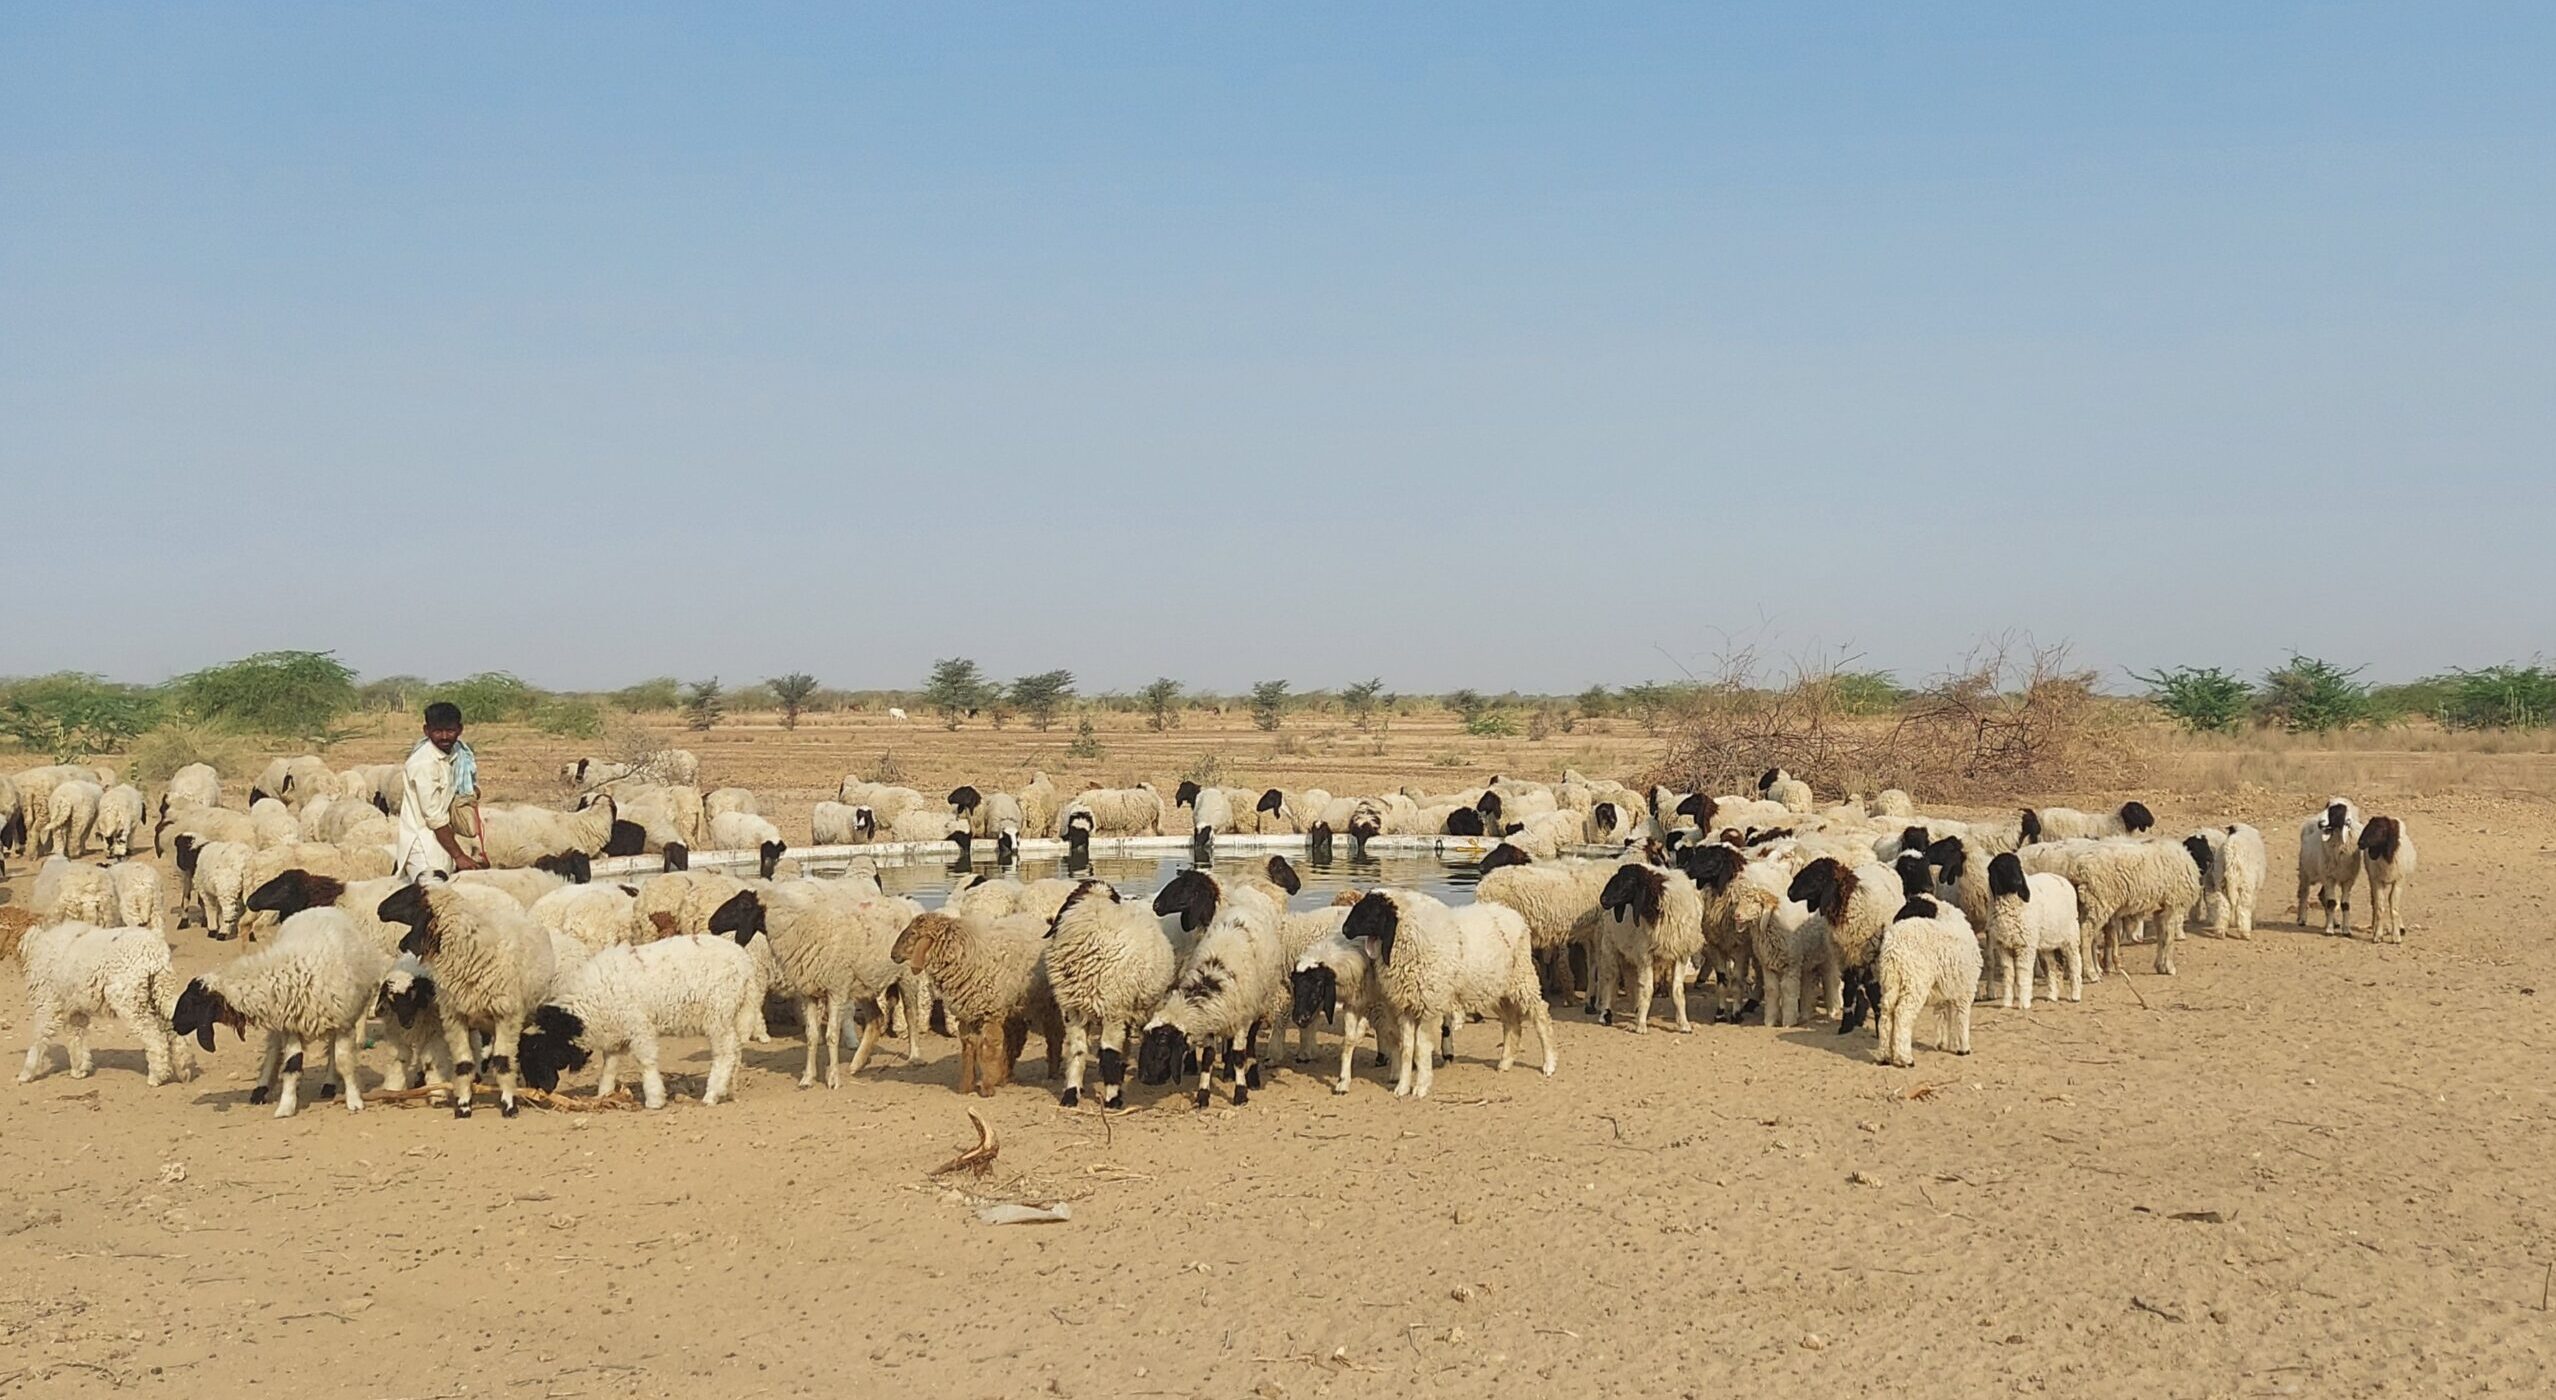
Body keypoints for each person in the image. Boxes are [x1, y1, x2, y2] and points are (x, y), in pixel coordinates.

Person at [397, 702, 485, 878]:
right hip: (423, 844)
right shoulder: (423, 764)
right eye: (438, 731)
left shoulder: (457, 756)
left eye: (450, 731)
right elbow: (434, 817)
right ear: (426, 730)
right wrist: (459, 856)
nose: (444, 737)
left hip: (442, 841)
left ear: (460, 729)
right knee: (431, 896)